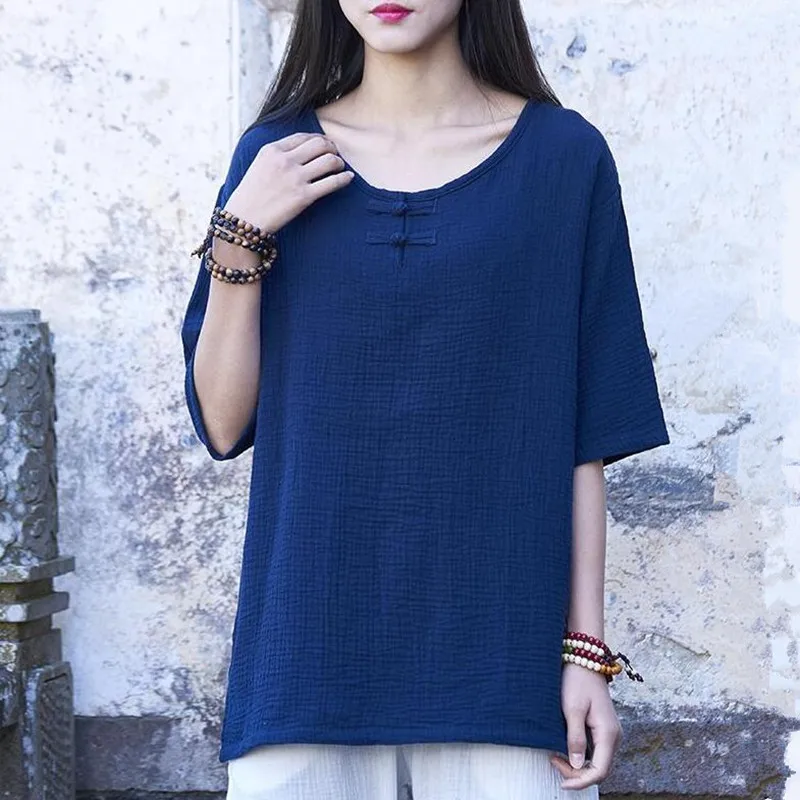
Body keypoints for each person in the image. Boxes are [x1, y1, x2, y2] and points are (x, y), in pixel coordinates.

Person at [180, 1, 670, 798]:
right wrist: (240, 232)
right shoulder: (277, 157)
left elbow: (585, 432)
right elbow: (223, 421)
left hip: (503, 666)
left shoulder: (564, 158)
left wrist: (585, 653)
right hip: (304, 659)